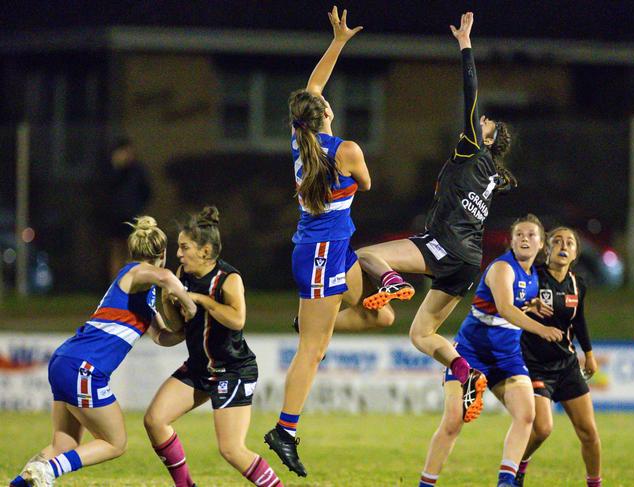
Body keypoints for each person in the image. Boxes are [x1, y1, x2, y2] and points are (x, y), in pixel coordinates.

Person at [336, 11, 515, 418]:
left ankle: (396, 282)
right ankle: (464, 370)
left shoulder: (473, 150)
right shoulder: (493, 176)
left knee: (367, 255)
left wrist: (465, 44)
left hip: (444, 245)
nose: (477, 120)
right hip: (469, 262)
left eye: (483, 124)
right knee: (422, 333)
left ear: (484, 138)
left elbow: (470, 91)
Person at [263, 6, 391, 478]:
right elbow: (369, 185)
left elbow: (313, 88)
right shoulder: (346, 151)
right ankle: (285, 430)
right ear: (327, 115)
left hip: (330, 248)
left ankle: (310, 321)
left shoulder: (302, 142)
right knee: (313, 351)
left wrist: (338, 41)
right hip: (320, 254)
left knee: (382, 313)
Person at [10, 216, 196, 487]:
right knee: (115, 442)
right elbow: (165, 276)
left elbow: (160, 337)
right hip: (85, 367)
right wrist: (190, 306)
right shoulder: (135, 272)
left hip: (67, 360)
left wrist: (184, 331)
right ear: (162, 254)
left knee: (63, 446)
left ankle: (22, 482)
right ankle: (49, 471)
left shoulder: (143, 295)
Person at [418, 214, 564, 487]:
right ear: (511, 240)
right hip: (470, 354)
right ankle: (426, 484)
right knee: (453, 422)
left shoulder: (532, 276)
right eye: (519, 234)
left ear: (542, 245)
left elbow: (516, 304)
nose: (524, 238)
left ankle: (506, 481)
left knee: (526, 415)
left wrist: (530, 305)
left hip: (507, 358)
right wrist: (541, 328)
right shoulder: (502, 269)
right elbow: (506, 307)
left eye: (531, 235)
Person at [143, 206, 284, 487]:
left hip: (232, 370)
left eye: (184, 247)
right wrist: (168, 299)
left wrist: (201, 299)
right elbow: (179, 328)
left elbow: (237, 319)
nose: (179, 254)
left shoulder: (229, 279)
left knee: (231, 449)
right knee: (155, 420)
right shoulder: (182, 273)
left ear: (205, 251)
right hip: (199, 368)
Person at [514, 227, 601, 487]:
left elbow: (580, 321)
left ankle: (595, 484)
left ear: (575, 254)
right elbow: (509, 307)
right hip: (535, 366)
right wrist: (528, 306)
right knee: (542, 428)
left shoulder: (578, 284)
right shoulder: (531, 278)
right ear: (546, 249)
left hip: (567, 365)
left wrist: (589, 353)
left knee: (589, 433)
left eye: (570, 243)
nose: (564, 246)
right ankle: (517, 466)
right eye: (557, 241)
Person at [100, 138, 152, 281]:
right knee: (116, 251)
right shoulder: (110, 169)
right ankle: (115, 285)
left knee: (132, 250)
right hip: (114, 216)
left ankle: (131, 284)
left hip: (132, 216)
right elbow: (104, 189)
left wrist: (138, 206)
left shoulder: (137, 170)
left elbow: (147, 191)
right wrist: (117, 168)